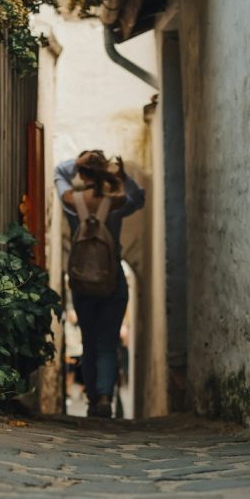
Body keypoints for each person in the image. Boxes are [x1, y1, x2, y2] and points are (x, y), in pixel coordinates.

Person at [55, 150, 145, 418]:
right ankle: (105, 397)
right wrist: (118, 174)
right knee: (108, 342)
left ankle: (93, 399)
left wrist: (82, 162)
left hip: (82, 283)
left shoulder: (72, 202)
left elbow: (60, 171)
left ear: (82, 174)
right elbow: (138, 198)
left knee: (89, 342)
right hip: (111, 281)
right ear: (103, 173)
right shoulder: (115, 203)